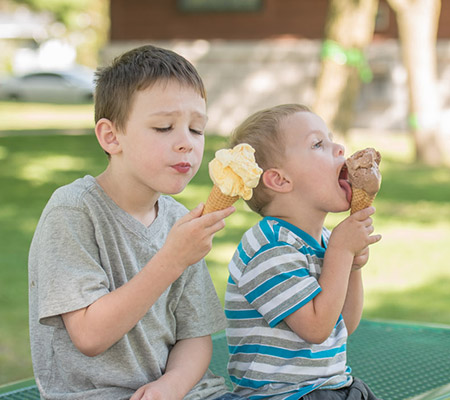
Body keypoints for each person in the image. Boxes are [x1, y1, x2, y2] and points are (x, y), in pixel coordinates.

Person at [28, 44, 246, 400]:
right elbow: (89, 336)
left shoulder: (178, 220)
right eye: (164, 127)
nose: (186, 144)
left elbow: (195, 336)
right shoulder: (73, 212)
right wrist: (172, 259)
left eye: (196, 129)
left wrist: (171, 386)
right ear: (111, 137)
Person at [224, 104, 382, 399]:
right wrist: (340, 253)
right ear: (280, 180)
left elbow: (344, 323)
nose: (339, 149)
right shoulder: (269, 248)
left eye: (332, 138)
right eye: (318, 144)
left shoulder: (322, 240)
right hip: (284, 395)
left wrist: (353, 267)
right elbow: (316, 328)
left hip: (331, 386)